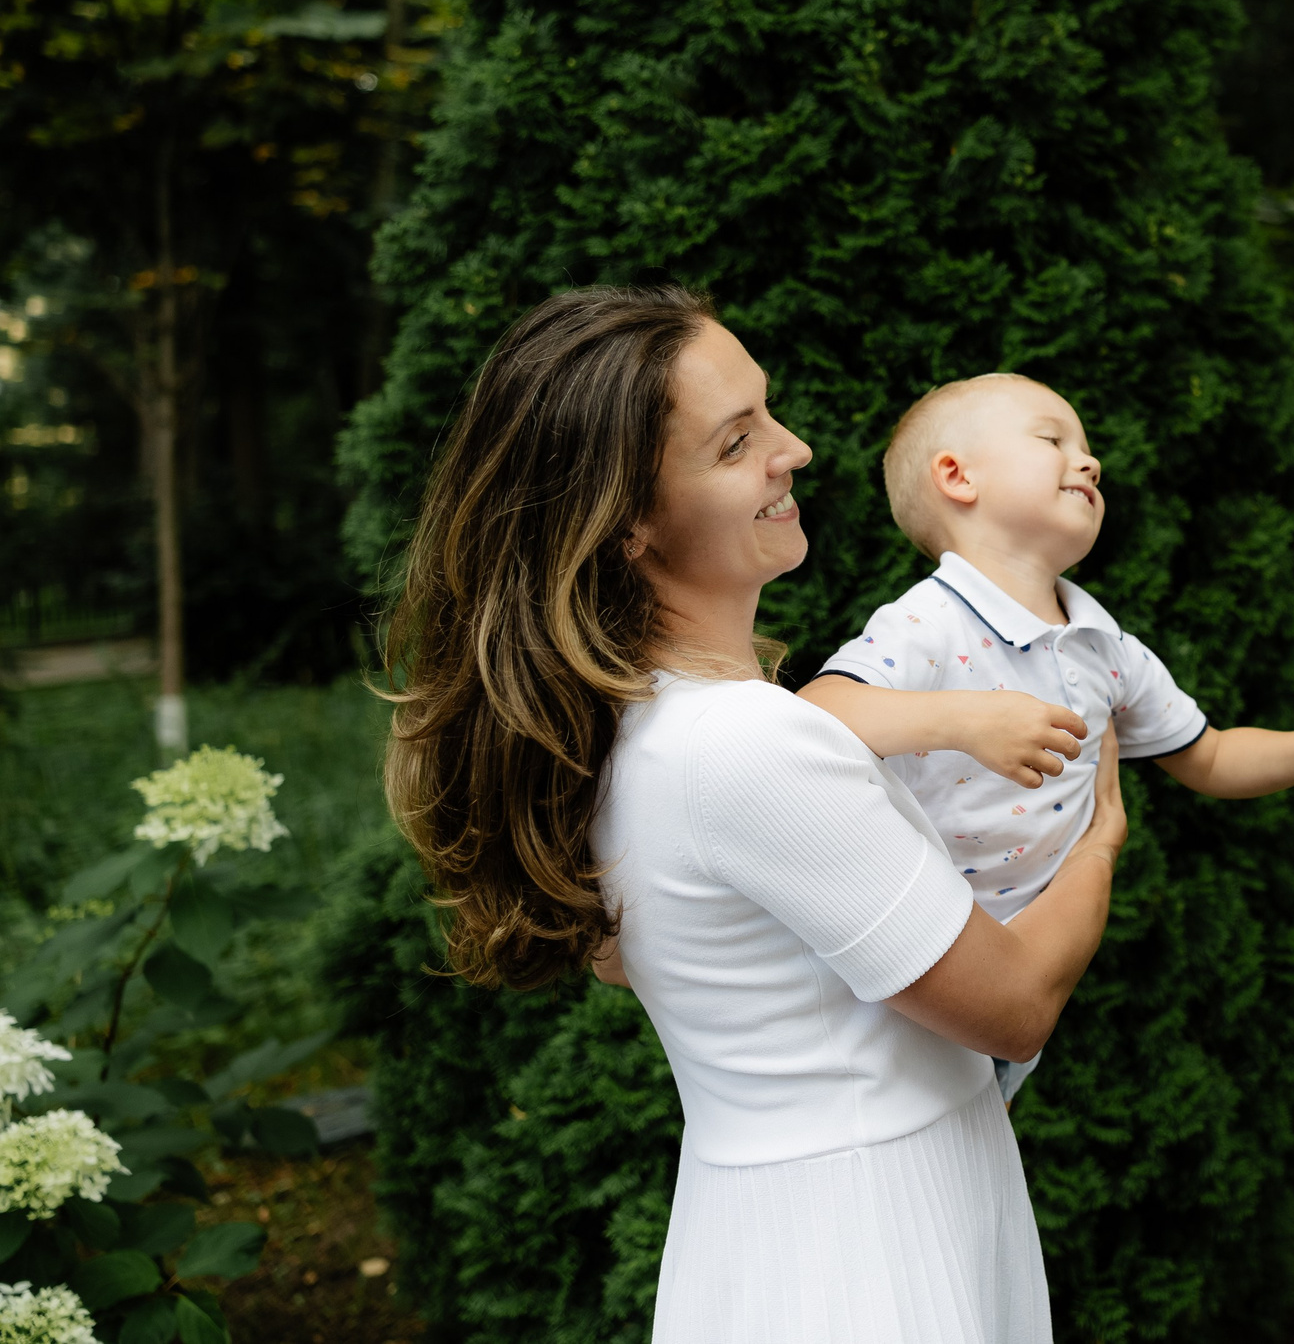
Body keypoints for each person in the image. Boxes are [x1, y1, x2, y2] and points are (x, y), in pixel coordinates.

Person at [384, 287, 1104, 1344]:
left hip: (784, 1226)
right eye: (737, 442)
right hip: (867, 1259)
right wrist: (1101, 836)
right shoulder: (744, 747)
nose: (796, 449)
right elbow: (1014, 1005)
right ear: (629, 523)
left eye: (768, 412)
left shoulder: (631, 732)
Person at [799, 373, 1294, 1100]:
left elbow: (1208, 755)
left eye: (1087, 450)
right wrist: (963, 718)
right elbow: (819, 711)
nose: (1090, 461)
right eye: (1052, 439)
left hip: (1020, 971)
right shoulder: (928, 621)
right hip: (905, 967)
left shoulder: (1105, 646)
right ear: (958, 477)